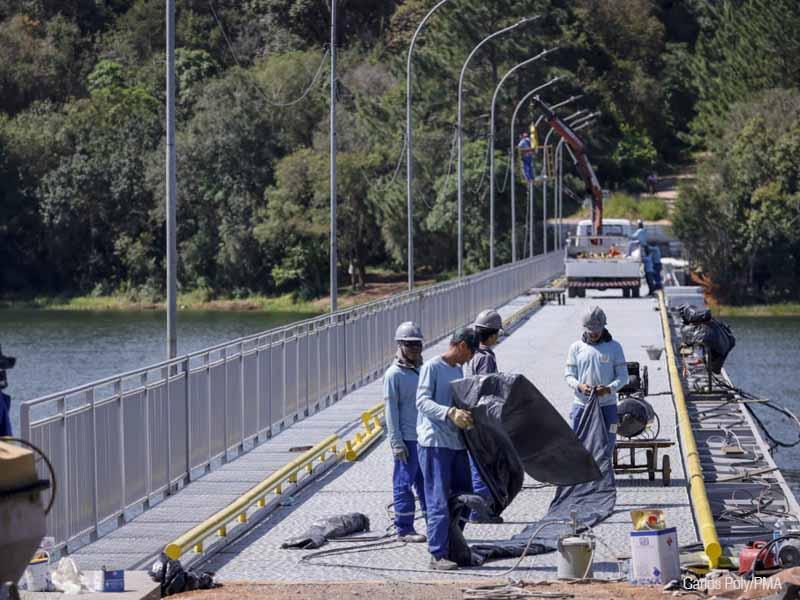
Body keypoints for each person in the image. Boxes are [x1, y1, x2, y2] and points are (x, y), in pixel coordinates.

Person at [416, 327, 478, 571]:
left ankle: (454, 544)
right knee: (438, 499)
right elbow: (421, 402)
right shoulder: (433, 367)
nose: (471, 358)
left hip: (455, 442)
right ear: (462, 345)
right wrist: (449, 412)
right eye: (471, 352)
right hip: (434, 443)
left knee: (464, 494)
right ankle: (438, 553)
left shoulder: (457, 369)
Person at [564, 307, 628, 462]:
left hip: (608, 405)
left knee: (609, 438)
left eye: (597, 330)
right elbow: (569, 375)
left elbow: (623, 376)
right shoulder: (576, 348)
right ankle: (582, 474)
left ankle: (604, 471)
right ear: (584, 329)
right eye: (590, 330)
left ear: (604, 327)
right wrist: (579, 386)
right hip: (582, 404)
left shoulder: (614, 347)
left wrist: (609, 389)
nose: (593, 333)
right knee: (578, 440)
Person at [384, 321, 428, 543]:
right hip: (407, 440)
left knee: (426, 485)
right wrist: (396, 442)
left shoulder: (422, 370)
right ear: (400, 346)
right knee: (403, 485)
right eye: (410, 345)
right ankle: (404, 529)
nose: (415, 349)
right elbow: (390, 411)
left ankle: (436, 524)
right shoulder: (394, 375)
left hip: (425, 438)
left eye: (418, 345)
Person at [466, 309, 503, 524]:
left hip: (469, 414)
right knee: (482, 463)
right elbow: (486, 389)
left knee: (474, 463)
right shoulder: (486, 358)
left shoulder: (471, 354)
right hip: (481, 417)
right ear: (491, 334)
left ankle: (476, 509)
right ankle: (479, 511)